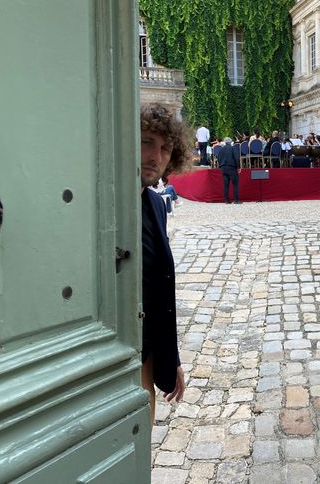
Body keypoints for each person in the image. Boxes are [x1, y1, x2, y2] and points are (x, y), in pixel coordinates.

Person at [139, 103, 191, 425]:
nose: (155, 157)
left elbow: (158, 289)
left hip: (145, 356)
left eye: (165, 148)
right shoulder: (104, 203)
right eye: (147, 143)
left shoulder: (156, 204)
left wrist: (170, 359)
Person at [217, 137, 241, 204]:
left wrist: (221, 165)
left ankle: (226, 200)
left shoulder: (221, 149)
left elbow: (218, 158)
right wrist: (238, 167)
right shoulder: (233, 148)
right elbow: (236, 158)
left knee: (225, 184)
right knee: (235, 184)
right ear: (231, 142)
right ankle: (236, 200)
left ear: (225, 142)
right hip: (231, 167)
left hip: (223, 168)